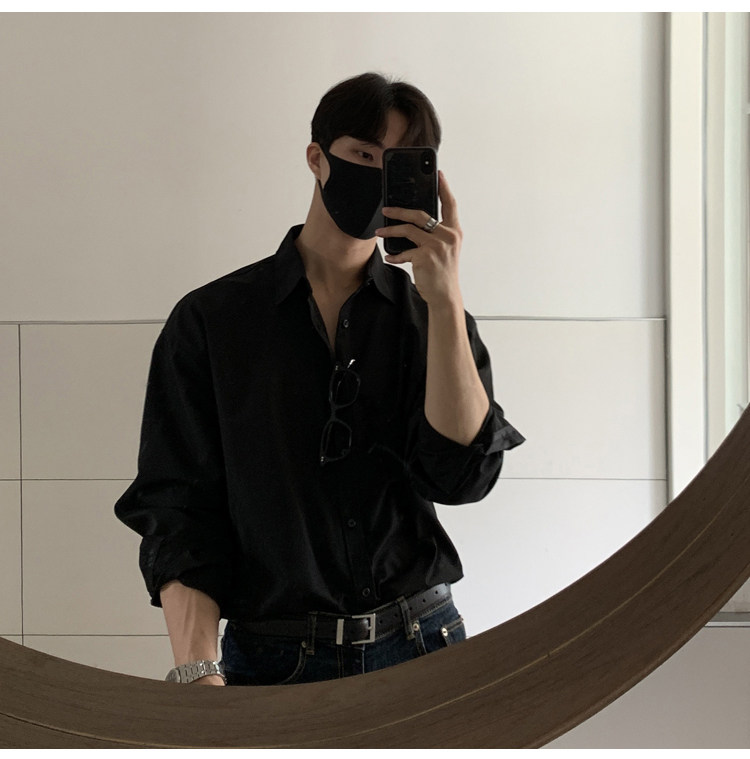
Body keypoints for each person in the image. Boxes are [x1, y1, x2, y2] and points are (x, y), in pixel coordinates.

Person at [115, 72, 524, 687]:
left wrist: (444, 299)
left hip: (424, 644)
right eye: (364, 154)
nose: (377, 176)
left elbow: (462, 477)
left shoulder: (430, 318)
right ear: (316, 157)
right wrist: (198, 674)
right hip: (274, 660)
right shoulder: (212, 321)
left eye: (398, 163)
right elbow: (178, 510)